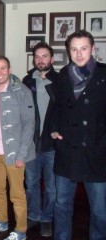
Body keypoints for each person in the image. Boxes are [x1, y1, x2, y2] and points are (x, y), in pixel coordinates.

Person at [51, 30, 106, 240]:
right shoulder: (63, 75)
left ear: (93, 49)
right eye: (74, 49)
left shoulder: (104, 73)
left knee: (100, 211)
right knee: (62, 205)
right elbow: (57, 108)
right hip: (68, 151)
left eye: (83, 48)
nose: (79, 53)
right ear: (69, 52)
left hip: (97, 153)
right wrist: (54, 131)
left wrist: (102, 145)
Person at [0, 56, 35, 240]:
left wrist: (22, 153)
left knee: (17, 194)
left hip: (14, 153)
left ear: (9, 69)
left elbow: (29, 124)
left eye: (3, 68)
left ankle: (21, 231)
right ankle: (2, 222)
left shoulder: (21, 91)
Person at [22, 42, 58, 237]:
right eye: (37, 56)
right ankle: (34, 215)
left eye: (45, 56)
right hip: (31, 144)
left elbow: (65, 109)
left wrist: (57, 130)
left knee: (52, 187)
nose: (41, 60)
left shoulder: (61, 80)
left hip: (52, 145)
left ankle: (47, 218)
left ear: (52, 59)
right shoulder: (27, 81)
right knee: (32, 183)